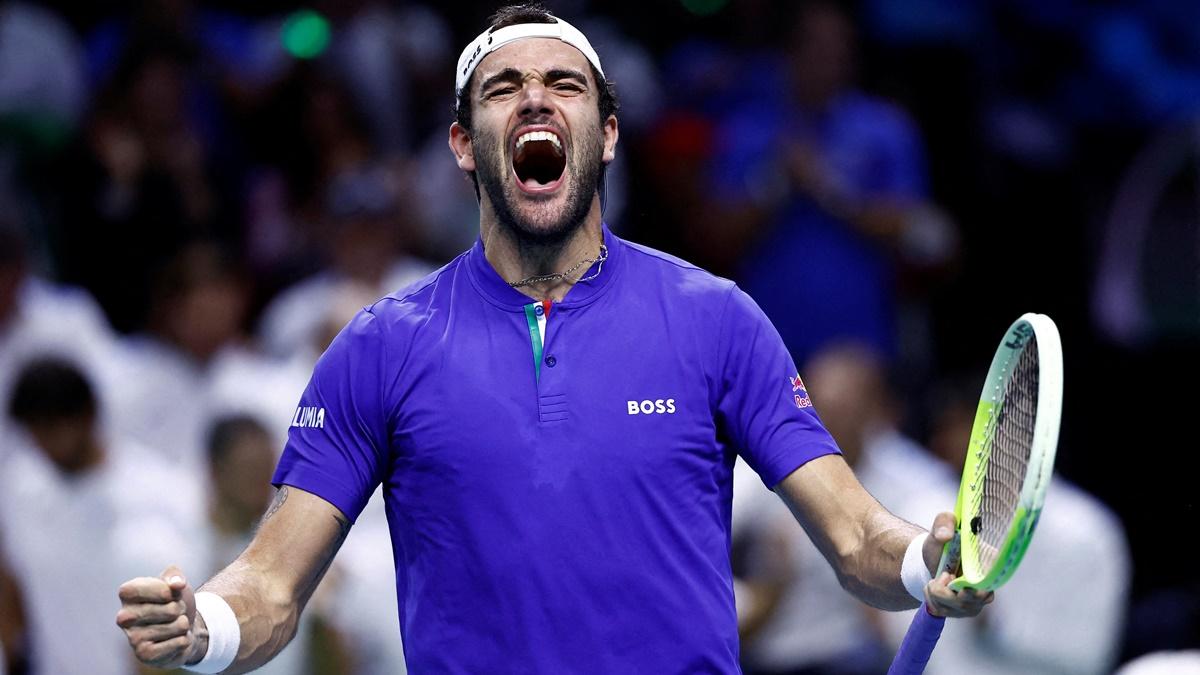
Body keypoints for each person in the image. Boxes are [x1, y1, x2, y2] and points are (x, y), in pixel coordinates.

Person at [116, 5, 991, 673]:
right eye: (503, 88)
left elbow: (855, 538)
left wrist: (923, 559)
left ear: (607, 135)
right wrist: (209, 627)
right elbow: (270, 583)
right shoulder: (379, 349)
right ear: (464, 145)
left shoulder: (715, 317)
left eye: (565, 84)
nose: (534, 96)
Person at [1, 357, 203, 674]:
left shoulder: (162, 494)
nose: (42, 442)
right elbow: (12, 588)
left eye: (52, 427)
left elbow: (184, 621)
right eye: (33, 430)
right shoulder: (20, 490)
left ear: (88, 416)